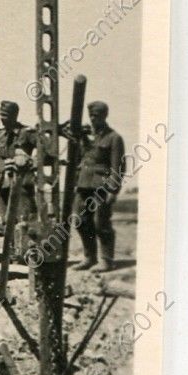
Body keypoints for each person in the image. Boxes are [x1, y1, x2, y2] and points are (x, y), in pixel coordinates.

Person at [71, 101, 126, 273]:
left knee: (101, 223)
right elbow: (78, 160)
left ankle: (107, 260)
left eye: (97, 116)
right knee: (79, 220)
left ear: (104, 116)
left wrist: (113, 190)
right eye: (91, 116)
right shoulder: (86, 137)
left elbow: (118, 167)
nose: (93, 119)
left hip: (102, 186)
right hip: (83, 185)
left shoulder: (114, 138)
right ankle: (90, 257)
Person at [0, 100, 37, 224]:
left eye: (5, 115)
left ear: (14, 116)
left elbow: (45, 149)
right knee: (6, 221)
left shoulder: (27, 133)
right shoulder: (0, 135)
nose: (2, 118)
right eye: (1, 114)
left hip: (23, 183)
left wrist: (31, 162)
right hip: (3, 182)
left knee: (25, 220)